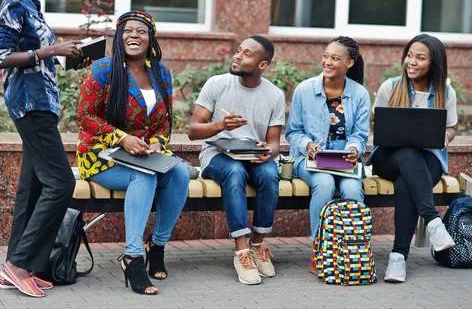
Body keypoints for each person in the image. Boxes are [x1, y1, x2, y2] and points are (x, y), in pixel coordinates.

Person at [0, 0, 90, 298]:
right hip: (29, 103)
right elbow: (2, 58)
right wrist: (52, 51)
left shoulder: (31, 5)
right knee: (62, 183)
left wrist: (71, 57)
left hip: (41, 101)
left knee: (31, 187)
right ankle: (19, 265)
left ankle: (17, 267)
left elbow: (37, 55)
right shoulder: (14, 3)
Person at [76, 10, 190, 295]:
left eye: (141, 31)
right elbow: (85, 115)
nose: (134, 35)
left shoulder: (161, 73)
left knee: (179, 174)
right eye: (127, 31)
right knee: (145, 178)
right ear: (119, 38)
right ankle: (132, 256)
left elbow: (165, 123)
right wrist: (121, 137)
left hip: (142, 154)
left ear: (150, 38)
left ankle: (157, 246)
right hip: (101, 154)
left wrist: (157, 143)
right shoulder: (105, 69)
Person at [188, 36, 284, 285]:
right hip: (216, 155)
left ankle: (259, 244)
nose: (238, 56)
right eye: (239, 50)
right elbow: (193, 131)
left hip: (252, 156)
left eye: (247, 54)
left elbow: (274, 142)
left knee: (270, 175)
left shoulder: (274, 94)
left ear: (262, 65)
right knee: (234, 172)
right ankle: (241, 251)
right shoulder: (217, 84)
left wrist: (268, 151)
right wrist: (220, 125)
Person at [367, 34, 456, 283]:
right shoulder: (390, 86)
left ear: (434, 63)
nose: (412, 62)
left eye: (420, 57)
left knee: (408, 178)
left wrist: (445, 136)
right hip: (387, 158)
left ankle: (398, 258)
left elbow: (451, 127)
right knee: (406, 152)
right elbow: (375, 123)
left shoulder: (445, 92)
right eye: (409, 55)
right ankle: (433, 221)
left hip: (427, 160)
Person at [285, 36, 369, 275]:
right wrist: (309, 145)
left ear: (349, 64)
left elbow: (360, 135)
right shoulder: (305, 90)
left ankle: (354, 248)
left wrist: (354, 150)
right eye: (326, 56)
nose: (327, 62)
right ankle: (320, 250)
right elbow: (293, 133)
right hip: (310, 157)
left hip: (344, 158)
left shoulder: (359, 94)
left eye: (335, 58)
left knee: (352, 190)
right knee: (324, 184)